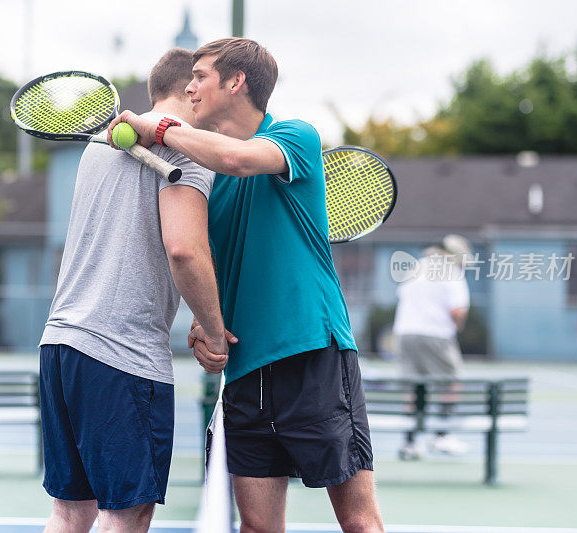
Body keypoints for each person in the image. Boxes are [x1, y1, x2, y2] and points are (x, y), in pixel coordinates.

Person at [108, 38, 383, 533]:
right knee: (257, 527)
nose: (189, 87)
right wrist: (203, 315)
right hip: (243, 371)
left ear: (236, 83)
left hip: (311, 353)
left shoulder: (295, 135)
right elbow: (214, 256)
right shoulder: (204, 175)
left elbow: (238, 158)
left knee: (358, 521)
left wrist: (161, 127)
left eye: (201, 77)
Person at [38, 49, 232, 533]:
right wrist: (213, 328)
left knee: (71, 510)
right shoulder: (186, 148)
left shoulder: (97, 147)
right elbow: (184, 250)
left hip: (61, 346)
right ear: (192, 87)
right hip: (120, 355)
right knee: (125, 515)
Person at [392, 234, 472, 460]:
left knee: (413, 387)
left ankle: (409, 442)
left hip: (405, 332)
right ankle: (442, 435)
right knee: (452, 382)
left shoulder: (417, 267)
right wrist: (457, 327)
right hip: (436, 333)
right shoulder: (452, 272)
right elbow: (457, 310)